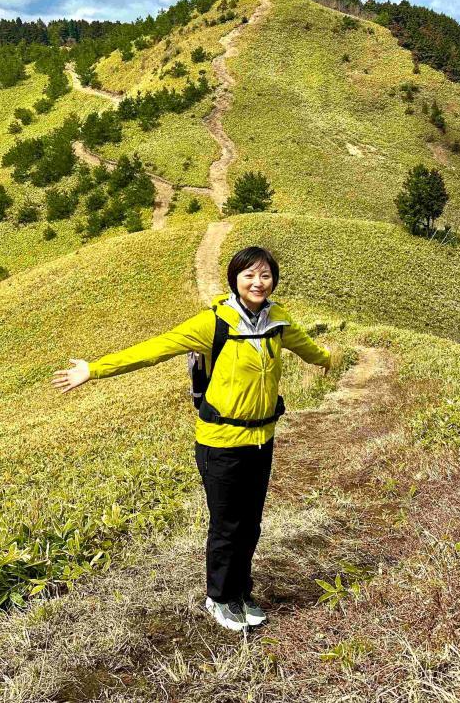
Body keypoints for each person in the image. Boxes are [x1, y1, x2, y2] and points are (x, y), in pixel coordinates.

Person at [51, 245, 335, 632]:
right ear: (235, 279)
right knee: (227, 524)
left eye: (265, 275)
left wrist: (328, 360)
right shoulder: (213, 324)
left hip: (261, 440)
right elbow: (156, 349)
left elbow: (307, 348)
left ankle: (241, 594)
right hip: (220, 442)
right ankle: (218, 598)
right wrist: (95, 370)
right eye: (249, 274)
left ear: (274, 280)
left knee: (251, 523)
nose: (258, 282)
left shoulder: (278, 321)